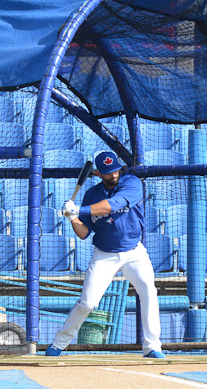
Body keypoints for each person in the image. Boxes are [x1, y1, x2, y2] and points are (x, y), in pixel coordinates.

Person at [48, 151, 164, 358]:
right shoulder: (92, 194)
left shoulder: (132, 183)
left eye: (115, 170)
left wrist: (79, 210)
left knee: (148, 291)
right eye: (108, 172)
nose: (114, 175)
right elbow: (84, 233)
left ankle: (152, 347)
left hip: (133, 251)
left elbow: (114, 204)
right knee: (88, 302)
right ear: (99, 173)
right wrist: (72, 217)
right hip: (104, 254)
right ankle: (58, 343)